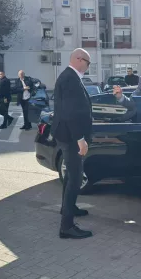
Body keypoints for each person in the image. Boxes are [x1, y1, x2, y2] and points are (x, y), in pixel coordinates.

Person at [52, 48, 93, 239]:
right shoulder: (70, 79)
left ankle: (68, 208)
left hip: (66, 134)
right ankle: (66, 226)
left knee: (70, 175)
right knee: (76, 178)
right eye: (87, 62)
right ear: (78, 59)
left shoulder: (69, 77)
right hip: (71, 136)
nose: (88, 66)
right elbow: (71, 112)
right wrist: (80, 139)